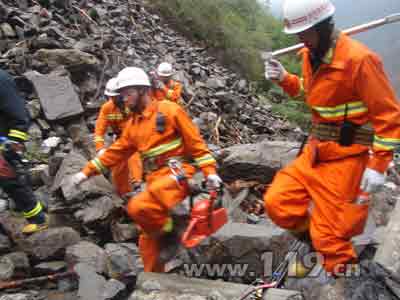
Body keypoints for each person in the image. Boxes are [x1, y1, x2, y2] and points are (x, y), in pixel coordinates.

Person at [264, 0, 400, 276]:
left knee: (333, 239)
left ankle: (343, 282)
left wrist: (379, 166)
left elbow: (389, 116)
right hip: (315, 153)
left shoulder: (360, 61)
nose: (300, 40)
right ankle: (317, 244)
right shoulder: (309, 55)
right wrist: (285, 79)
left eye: (305, 33)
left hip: (347, 158)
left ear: (322, 27)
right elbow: (316, 96)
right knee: (278, 203)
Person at [71, 67, 222, 272]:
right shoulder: (133, 126)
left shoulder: (169, 110)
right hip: (154, 178)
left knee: (144, 201)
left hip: (179, 173)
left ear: (143, 90)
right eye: (122, 95)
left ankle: (174, 230)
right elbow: (114, 153)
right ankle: (154, 276)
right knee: (147, 232)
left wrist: (210, 172)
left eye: (128, 93)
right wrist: (85, 172)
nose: (124, 99)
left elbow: (196, 145)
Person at [0, 69, 48, 234]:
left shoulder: (1, 80)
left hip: (4, 142)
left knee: (12, 183)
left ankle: (39, 220)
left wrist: (13, 143)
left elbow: (19, 115)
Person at [94, 77, 142, 197]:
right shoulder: (107, 108)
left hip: (137, 135)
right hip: (121, 138)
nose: (114, 99)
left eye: (116, 97)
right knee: (118, 169)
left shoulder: (133, 103)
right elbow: (99, 130)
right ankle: (124, 194)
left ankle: (137, 185)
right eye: (112, 97)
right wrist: (100, 148)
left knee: (133, 157)